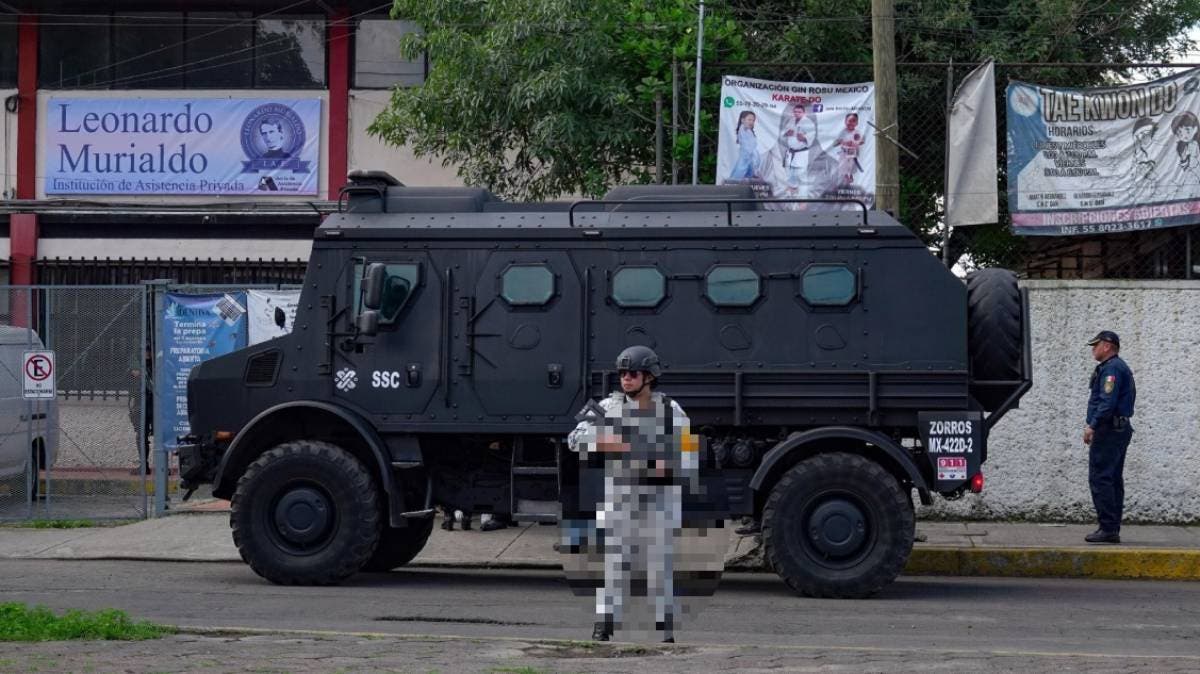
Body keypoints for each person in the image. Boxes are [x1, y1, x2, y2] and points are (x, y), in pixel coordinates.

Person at [567, 346, 700, 643]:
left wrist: (670, 466)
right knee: (614, 562)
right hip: (621, 496)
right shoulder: (607, 406)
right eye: (622, 373)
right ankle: (604, 625)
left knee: (661, 565)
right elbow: (574, 438)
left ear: (649, 377)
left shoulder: (670, 410)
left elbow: (690, 453)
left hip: (659, 497)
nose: (626, 379)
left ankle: (665, 631)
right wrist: (606, 442)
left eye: (633, 373)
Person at [1084, 330, 1136, 544]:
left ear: (1107, 346)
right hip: (1118, 429)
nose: (1093, 349)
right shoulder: (1114, 367)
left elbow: (1107, 403)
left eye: (1096, 345)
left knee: (1101, 477)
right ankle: (1111, 527)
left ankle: (1108, 528)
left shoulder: (1112, 369)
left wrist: (1092, 426)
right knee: (1113, 479)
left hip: (1108, 430)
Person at [778, 104, 817, 200]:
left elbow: (812, 136)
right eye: (795, 111)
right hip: (790, 153)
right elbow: (783, 133)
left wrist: (804, 138)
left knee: (801, 175)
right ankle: (792, 192)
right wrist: (787, 133)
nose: (797, 113)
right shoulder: (791, 121)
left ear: (804, 112)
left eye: (799, 112)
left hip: (801, 153)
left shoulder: (808, 123)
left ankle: (803, 197)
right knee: (790, 174)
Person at [728, 111, 760, 180]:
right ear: (742, 120)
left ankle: (744, 181)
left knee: (748, 171)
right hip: (746, 155)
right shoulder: (743, 129)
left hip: (750, 156)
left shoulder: (749, 131)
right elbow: (746, 144)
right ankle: (732, 184)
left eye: (753, 120)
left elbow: (752, 144)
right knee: (740, 169)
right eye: (749, 119)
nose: (751, 122)